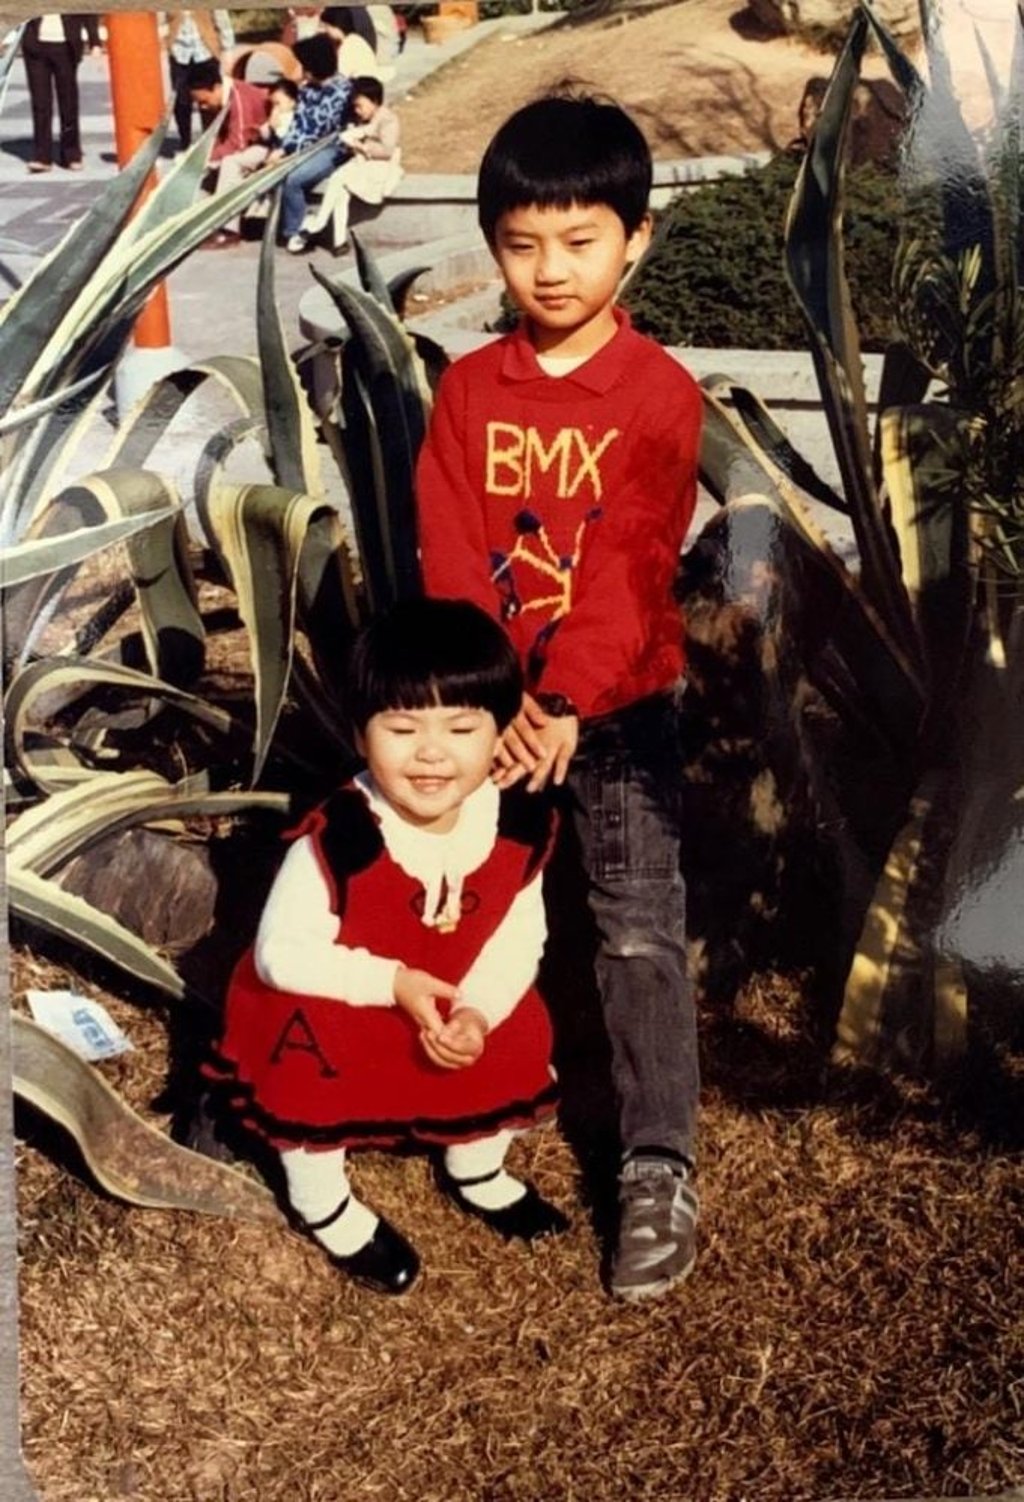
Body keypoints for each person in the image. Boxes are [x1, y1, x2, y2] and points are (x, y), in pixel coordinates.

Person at [415, 93, 704, 1302]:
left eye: (579, 241)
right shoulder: (470, 390)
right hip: (487, 714)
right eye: (523, 243)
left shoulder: (655, 394)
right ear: (493, 243)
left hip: (615, 709)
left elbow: (632, 563)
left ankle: (655, 1161)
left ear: (633, 240)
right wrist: (486, 705)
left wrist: (567, 699)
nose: (550, 269)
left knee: (635, 924)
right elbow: (445, 547)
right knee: (449, 895)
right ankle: (402, 1085)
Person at [206, 598, 568, 1295]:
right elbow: (281, 952)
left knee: (516, 1034)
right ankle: (325, 1205)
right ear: (360, 734)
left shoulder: (517, 826)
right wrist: (394, 983)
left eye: (462, 728)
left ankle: (478, 1170)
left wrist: (478, 1015)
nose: (431, 753)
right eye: (401, 729)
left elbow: (521, 937)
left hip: (454, 999)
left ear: (501, 736)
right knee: (307, 1060)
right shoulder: (341, 832)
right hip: (344, 997)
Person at [269, 33, 352, 254]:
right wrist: (282, 148)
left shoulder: (343, 92)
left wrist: (292, 152)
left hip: (331, 148)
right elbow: (299, 123)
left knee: (293, 179)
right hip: (304, 147)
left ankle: (294, 231)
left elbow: (324, 131)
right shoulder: (308, 90)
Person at [304, 74, 400, 250]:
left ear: (375, 101)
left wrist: (361, 147)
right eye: (355, 106)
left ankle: (319, 223)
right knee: (340, 190)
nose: (357, 111)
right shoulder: (363, 120)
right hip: (361, 164)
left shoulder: (388, 120)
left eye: (360, 106)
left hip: (379, 166)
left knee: (338, 179)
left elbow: (387, 151)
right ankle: (339, 241)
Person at [205, 77, 299, 247]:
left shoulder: (298, 116)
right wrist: (268, 127)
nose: (275, 108)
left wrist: (280, 144)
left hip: (286, 152)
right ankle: (224, 226)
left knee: (234, 163)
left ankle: (230, 229)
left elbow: (296, 139)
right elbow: (267, 136)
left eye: (279, 104)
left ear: (293, 101)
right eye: (273, 104)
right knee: (230, 163)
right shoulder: (277, 115)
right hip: (269, 148)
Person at [21, 14, 91, 172]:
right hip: (35, 46)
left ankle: (71, 155)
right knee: (40, 103)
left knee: (68, 102)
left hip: (65, 46)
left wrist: (94, 40)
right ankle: (42, 157)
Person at [166, 8, 234, 151]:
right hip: (179, 53)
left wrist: (228, 49)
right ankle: (185, 142)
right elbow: (160, 21)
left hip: (206, 51)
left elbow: (221, 17)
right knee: (181, 102)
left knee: (210, 99)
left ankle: (211, 142)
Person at [318, 5, 383, 81]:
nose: (322, 30)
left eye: (326, 26)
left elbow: (340, 78)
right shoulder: (353, 40)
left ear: (337, 26)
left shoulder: (350, 46)